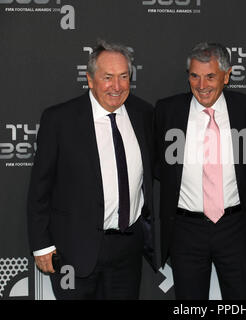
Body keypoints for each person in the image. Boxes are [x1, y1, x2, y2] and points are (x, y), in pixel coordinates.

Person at [27, 40, 156, 299]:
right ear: (89, 79)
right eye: (108, 77)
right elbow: (40, 188)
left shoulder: (144, 114)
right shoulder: (59, 120)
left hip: (127, 251)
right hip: (74, 251)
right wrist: (41, 245)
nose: (117, 86)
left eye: (123, 77)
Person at [154, 42, 246, 299]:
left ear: (227, 75)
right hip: (185, 230)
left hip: (236, 227)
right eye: (195, 76)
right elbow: (158, 166)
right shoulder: (168, 111)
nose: (201, 85)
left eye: (210, 76)